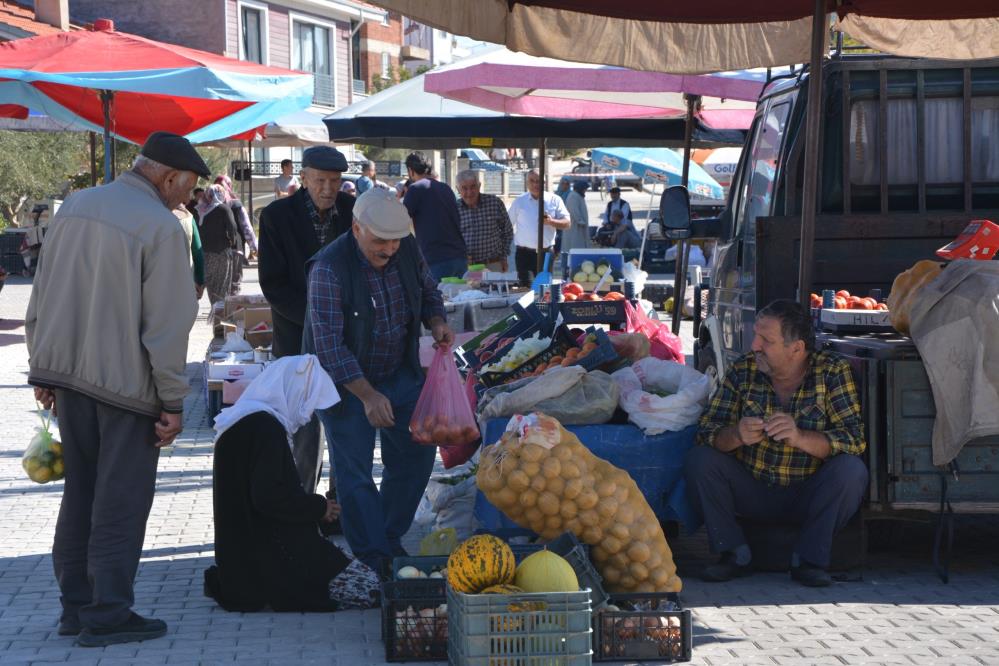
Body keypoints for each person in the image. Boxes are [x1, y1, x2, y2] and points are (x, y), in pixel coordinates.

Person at [26, 131, 205, 646]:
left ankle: (74, 608)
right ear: (168, 177)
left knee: (80, 494)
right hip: (126, 390)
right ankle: (107, 614)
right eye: (187, 188)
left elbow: (41, 292)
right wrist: (173, 402)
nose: (186, 199)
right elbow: (167, 328)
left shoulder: (77, 205)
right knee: (119, 504)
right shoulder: (161, 226)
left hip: (68, 381)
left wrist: (43, 368)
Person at [305, 187, 453, 576]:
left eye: (394, 242)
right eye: (380, 242)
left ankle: (388, 535)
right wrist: (367, 395)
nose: (389, 250)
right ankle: (373, 557)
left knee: (418, 453)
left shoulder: (405, 248)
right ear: (356, 229)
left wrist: (436, 320)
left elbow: (428, 290)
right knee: (354, 470)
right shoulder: (328, 268)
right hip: (343, 384)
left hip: (399, 372)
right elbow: (329, 347)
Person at [685, 299, 867, 588]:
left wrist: (800, 438)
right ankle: (732, 553)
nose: (755, 345)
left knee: (851, 470)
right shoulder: (743, 370)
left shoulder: (831, 372)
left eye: (766, 340)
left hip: (807, 491)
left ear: (796, 349)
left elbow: (853, 440)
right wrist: (735, 435)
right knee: (700, 460)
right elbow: (706, 431)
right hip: (752, 487)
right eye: (756, 336)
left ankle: (810, 560)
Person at [204, 355, 380, 613]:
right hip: (268, 560)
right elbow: (269, 497)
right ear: (292, 391)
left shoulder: (247, 420)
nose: (308, 415)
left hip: (245, 561)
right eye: (308, 402)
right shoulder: (265, 428)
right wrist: (319, 507)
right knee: (373, 587)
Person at [258, 145, 355, 495]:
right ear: (303, 178)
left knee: (345, 426)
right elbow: (273, 284)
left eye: (334, 181)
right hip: (297, 335)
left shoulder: (352, 210)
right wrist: (319, 320)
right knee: (305, 428)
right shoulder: (276, 216)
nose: (328, 189)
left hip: (348, 338)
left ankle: (341, 503)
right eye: (320, 181)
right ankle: (304, 507)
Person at [402, 151, 468, 281]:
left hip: (436, 259)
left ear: (410, 170)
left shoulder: (415, 189)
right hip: (459, 257)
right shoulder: (445, 188)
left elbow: (400, 221)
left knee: (437, 299)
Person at [508, 168, 570, 286]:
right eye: (532, 181)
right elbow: (507, 225)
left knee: (544, 290)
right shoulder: (519, 201)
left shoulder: (554, 200)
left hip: (545, 253)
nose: (535, 184)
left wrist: (552, 222)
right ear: (527, 183)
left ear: (545, 183)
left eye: (539, 181)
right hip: (524, 254)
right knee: (526, 290)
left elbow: (567, 223)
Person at [456, 169, 513, 272]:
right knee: (469, 289)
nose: (469, 192)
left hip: (493, 264)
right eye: (464, 188)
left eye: (473, 187)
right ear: (458, 190)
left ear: (479, 186)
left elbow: (507, 231)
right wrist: (459, 255)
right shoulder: (454, 209)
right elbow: (451, 238)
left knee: (495, 288)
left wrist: (503, 257)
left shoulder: (494, 203)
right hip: (467, 268)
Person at [196, 184, 241, 306]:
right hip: (221, 253)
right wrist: (232, 243)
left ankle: (215, 312)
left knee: (211, 287)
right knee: (221, 288)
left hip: (205, 254)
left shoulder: (200, 210)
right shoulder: (224, 209)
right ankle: (219, 319)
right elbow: (233, 231)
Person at [173, 205, 206, 302]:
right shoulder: (188, 218)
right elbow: (198, 252)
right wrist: (200, 281)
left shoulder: (152, 216)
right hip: (186, 279)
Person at [562, 179, 590, 253]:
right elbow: (574, 211)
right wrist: (581, 221)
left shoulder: (578, 196)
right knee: (575, 246)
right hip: (575, 227)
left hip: (579, 227)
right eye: (584, 189)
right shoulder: (573, 196)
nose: (585, 191)